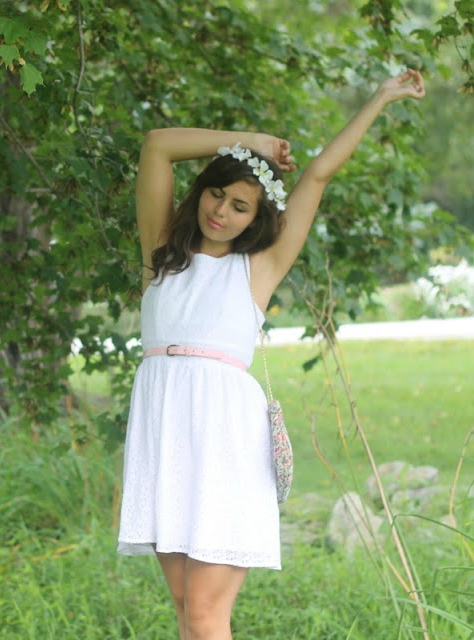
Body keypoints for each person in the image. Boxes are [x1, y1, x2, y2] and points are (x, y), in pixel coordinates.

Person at [117, 69, 425, 640]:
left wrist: (382, 97)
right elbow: (158, 145)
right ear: (200, 191)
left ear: (256, 219)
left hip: (224, 440)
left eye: (240, 206)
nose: (221, 211)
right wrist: (249, 143)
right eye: (216, 193)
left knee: (205, 613)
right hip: (164, 435)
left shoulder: (258, 269)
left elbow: (318, 173)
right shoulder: (161, 255)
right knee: (186, 607)